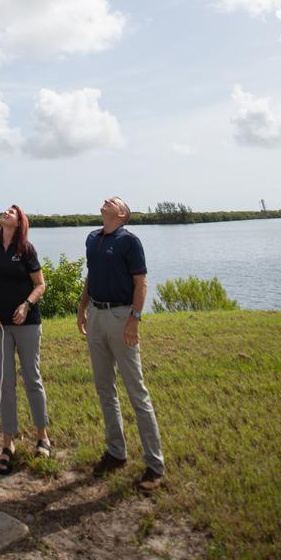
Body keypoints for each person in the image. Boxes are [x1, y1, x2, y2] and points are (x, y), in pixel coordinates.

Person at [76, 196, 165, 491]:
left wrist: (134, 319)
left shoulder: (130, 241)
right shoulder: (92, 239)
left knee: (136, 391)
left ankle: (155, 465)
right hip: (96, 316)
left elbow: (141, 283)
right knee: (104, 388)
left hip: (121, 316)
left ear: (122, 213)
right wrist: (82, 307)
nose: (104, 201)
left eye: (112, 201)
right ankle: (116, 452)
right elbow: (91, 275)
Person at [0, 204, 50, 474]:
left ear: (20, 223)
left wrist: (26, 305)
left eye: (13, 211)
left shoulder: (27, 249)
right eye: (6, 210)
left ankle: (43, 438)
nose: (6, 212)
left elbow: (40, 284)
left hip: (27, 324)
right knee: (5, 382)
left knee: (32, 377)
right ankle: (8, 444)